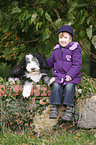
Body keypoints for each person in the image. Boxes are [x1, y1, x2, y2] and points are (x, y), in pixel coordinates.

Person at [46, 25, 82, 121]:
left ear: (70, 39)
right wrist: (42, 65)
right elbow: (50, 62)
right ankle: (54, 107)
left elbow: (77, 64)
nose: (63, 40)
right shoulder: (56, 50)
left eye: (65, 37)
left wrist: (70, 75)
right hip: (59, 76)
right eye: (61, 37)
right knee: (56, 86)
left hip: (72, 76)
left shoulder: (74, 49)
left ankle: (69, 109)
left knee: (69, 87)